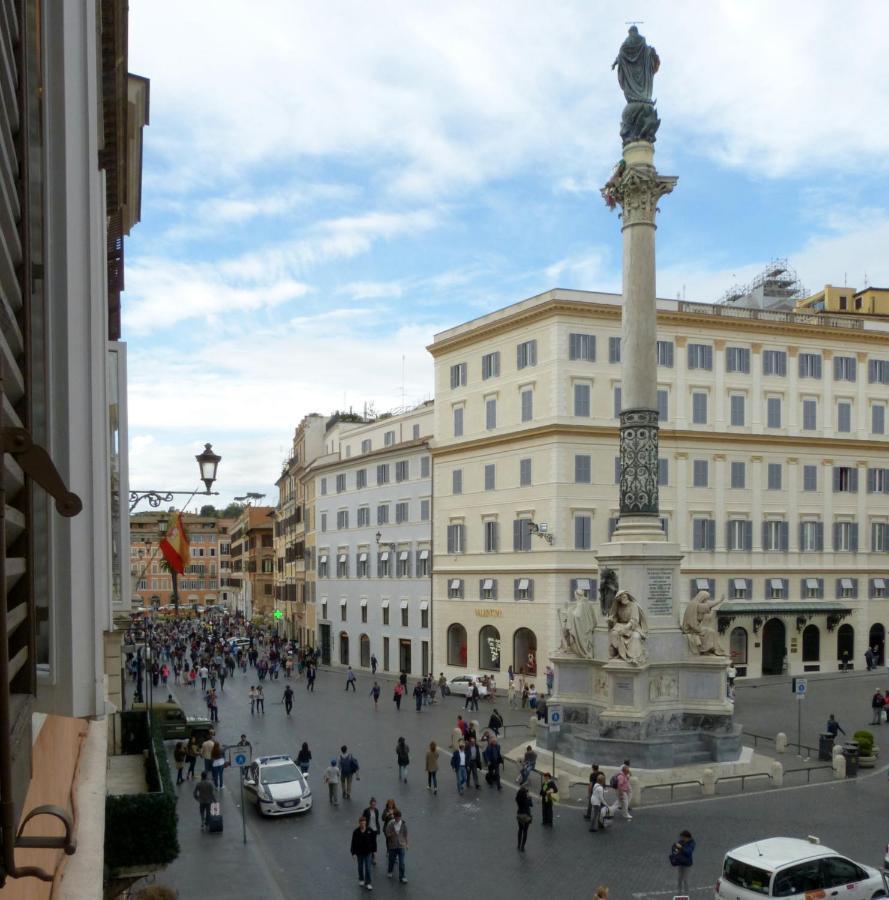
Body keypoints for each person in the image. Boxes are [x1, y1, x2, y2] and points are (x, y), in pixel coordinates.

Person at [384, 809, 408, 884]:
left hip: (401, 845)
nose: (398, 819)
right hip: (393, 845)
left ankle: (402, 877)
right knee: (391, 860)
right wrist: (391, 835)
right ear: (394, 817)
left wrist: (407, 844)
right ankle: (390, 871)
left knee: (401, 863)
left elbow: (405, 834)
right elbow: (387, 833)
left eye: (399, 817)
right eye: (396, 817)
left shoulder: (403, 824)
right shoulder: (390, 824)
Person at [351, 815, 375, 891]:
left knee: (368, 868)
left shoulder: (370, 830)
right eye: (361, 823)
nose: (363, 824)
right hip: (360, 853)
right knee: (360, 867)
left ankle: (368, 882)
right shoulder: (356, 832)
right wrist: (353, 853)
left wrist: (373, 850)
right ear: (359, 823)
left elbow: (373, 841)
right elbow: (353, 843)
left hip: (368, 853)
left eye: (364, 822)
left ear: (366, 823)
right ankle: (361, 879)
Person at [670, 829, 696, 895]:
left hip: (687, 864)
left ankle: (686, 893)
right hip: (680, 862)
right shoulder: (681, 841)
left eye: (683, 837)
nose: (682, 838)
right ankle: (679, 892)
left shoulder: (692, 843)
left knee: (685, 879)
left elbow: (688, 852)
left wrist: (681, 848)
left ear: (687, 837)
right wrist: (675, 848)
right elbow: (675, 848)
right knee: (679, 878)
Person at [515, 784, 533, 851]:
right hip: (526, 816)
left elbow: (520, 795)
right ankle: (522, 847)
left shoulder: (518, 798)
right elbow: (531, 805)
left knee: (520, 830)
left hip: (519, 815)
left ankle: (518, 845)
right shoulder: (527, 799)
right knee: (525, 831)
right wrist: (529, 797)